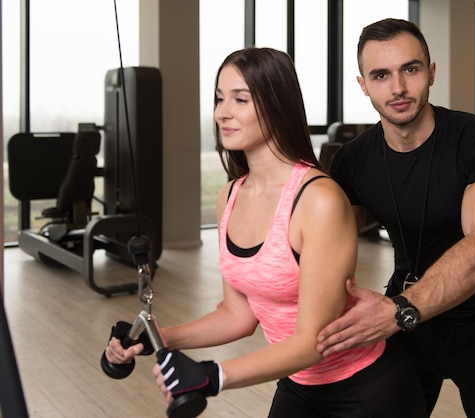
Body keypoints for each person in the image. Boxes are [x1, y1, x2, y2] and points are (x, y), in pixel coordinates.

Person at [105, 46, 425, 417]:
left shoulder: (318, 200)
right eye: (219, 99)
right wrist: (156, 337)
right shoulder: (230, 195)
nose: (223, 112)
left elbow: (312, 341)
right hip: (298, 384)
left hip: (367, 391)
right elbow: (238, 317)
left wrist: (213, 375)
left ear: (276, 105)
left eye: (240, 100)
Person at [316, 18, 475, 418]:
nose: (397, 88)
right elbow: (320, 247)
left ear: (431, 72)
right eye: (380, 75)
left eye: (410, 69)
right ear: (363, 84)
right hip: (407, 324)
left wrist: (399, 309)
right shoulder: (352, 160)